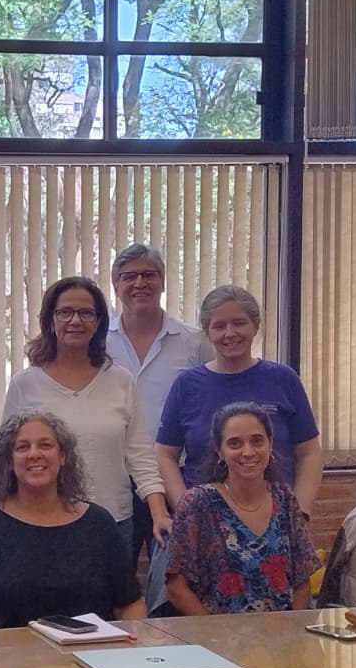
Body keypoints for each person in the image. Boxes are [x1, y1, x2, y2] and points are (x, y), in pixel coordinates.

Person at [2, 277, 170, 555]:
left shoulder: (121, 382)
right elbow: (7, 458)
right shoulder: (25, 384)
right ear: (50, 320)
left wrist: (159, 513)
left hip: (112, 523)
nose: (75, 321)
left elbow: (140, 456)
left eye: (86, 313)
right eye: (65, 312)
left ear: (99, 322)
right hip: (41, 523)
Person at [0, 408, 145, 631]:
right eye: (22, 447)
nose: (34, 454)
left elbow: (130, 605)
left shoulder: (99, 524)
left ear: (63, 456)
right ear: (9, 460)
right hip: (6, 652)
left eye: (45, 445)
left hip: (92, 651)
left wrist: (128, 645)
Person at [155, 285, 324, 521]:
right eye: (219, 326)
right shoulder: (187, 384)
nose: (230, 333)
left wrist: (300, 512)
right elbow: (165, 454)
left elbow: (309, 453)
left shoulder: (283, 379)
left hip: (275, 519)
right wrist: (187, 510)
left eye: (239, 323)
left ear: (256, 325)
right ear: (206, 332)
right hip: (206, 522)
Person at [104, 245, 212, 568]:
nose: (140, 283)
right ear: (116, 285)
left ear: (163, 282)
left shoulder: (194, 342)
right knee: (112, 574)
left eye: (149, 275)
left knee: (173, 574)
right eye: (129, 276)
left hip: (175, 478)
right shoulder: (98, 343)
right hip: (114, 478)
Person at [165, 402, 320, 615]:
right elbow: (177, 589)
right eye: (235, 444)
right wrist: (214, 631)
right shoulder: (197, 504)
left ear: (270, 444)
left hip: (282, 630)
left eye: (257, 441)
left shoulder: (285, 499)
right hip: (216, 631)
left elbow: (302, 579)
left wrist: (290, 626)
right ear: (219, 450)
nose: (248, 452)